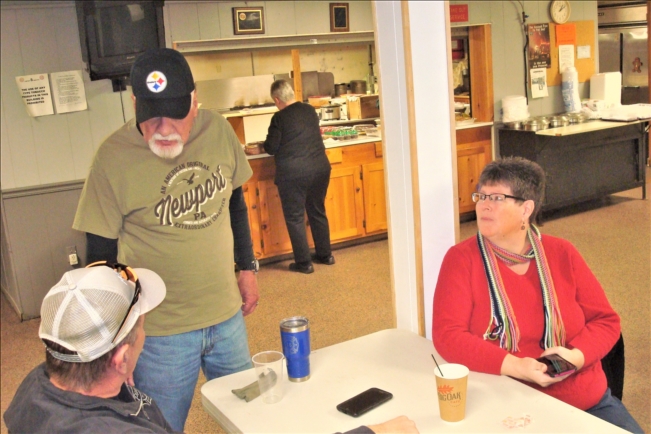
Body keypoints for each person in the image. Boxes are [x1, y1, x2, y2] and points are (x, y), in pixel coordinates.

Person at [72, 48, 260, 432]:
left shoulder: (218, 130)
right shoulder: (111, 157)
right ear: (135, 104)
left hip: (226, 317)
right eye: (151, 115)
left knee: (252, 420)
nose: (163, 128)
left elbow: (236, 204)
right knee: (160, 428)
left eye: (174, 114)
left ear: (194, 102)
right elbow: (101, 259)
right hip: (158, 334)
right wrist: (115, 341)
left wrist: (247, 267)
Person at [432, 157, 643, 433]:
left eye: (497, 198)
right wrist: (515, 366)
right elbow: (448, 335)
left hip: (585, 400)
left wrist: (576, 357)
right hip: (509, 402)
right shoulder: (461, 259)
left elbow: (606, 321)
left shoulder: (562, 253)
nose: (484, 205)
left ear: (526, 208)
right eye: (481, 196)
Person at [3, 263, 173, 433]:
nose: (144, 334)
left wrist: (121, 373)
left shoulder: (35, 382)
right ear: (122, 358)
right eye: (142, 326)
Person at [263, 79, 334, 274]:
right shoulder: (309, 110)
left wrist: (262, 145)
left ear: (277, 100)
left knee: (295, 217)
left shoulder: (279, 118)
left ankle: (304, 263)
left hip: (294, 174)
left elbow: (271, 147)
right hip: (320, 168)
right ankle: (326, 255)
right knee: (317, 211)